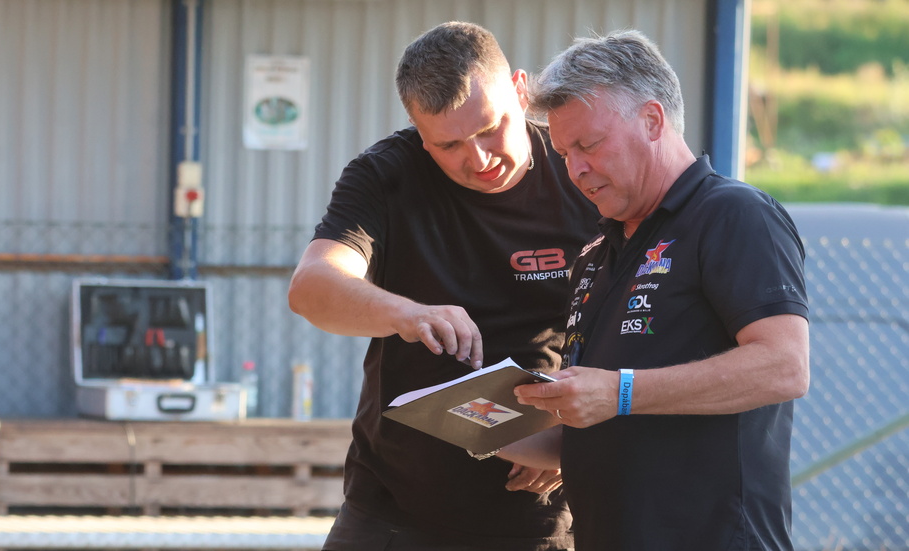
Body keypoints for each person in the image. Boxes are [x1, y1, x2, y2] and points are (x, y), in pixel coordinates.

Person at [288, 21, 601, 551]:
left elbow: (651, 319)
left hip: (539, 515)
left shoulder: (583, 175)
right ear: (416, 128)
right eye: (449, 144)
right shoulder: (385, 175)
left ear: (522, 92)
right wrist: (406, 314)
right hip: (393, 510)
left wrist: (582, 445)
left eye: (489, 129)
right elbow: (312, 286)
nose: (477, 159)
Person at [505, 30, 811, 550]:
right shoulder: (597, 252)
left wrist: (619, 391)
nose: (575, 169)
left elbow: (784, 365)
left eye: (588, 144)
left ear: (652, 120)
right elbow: (615, 419)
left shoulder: (733, 214)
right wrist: (487, 432)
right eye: (562, 152)